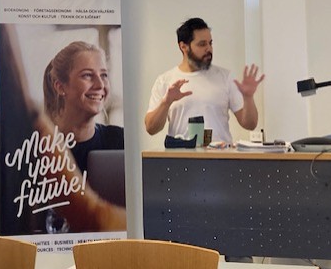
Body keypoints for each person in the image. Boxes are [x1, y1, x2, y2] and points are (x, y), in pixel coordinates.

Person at [144, 17, 264, 144]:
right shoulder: (165, 81)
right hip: (181, 156)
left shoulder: (225, 77)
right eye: (202, 44)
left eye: (210, 43)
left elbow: (250, 124)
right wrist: (166, 102)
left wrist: (248, 97)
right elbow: (151, 128)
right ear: (183, 46)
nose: (209, 49)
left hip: (220, 155)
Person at [43, 41, 124, 172]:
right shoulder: (37, 146)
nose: (100, 85)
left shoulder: (120, 141)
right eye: (87, 75)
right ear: (60, 87)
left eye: (104, 75)